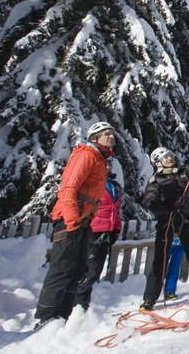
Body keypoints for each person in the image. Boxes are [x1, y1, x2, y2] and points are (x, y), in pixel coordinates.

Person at [33, 121, 117, 330]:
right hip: (71, 220)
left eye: (112, 134)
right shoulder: (86, 155)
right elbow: (68, 188)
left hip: (84, 222)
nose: (111, 137)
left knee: (78, 268)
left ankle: (64, 314)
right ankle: (45, 317)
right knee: (62, 268)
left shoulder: (99, 159)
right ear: (94, 138)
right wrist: (71, 221)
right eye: (106, 134)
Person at [139, 145, 189, 310]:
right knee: (160, 261)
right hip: (166, 224)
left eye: (171, 156)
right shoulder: (155, 181)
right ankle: (149, 299)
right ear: (158, 162)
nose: (170, 159)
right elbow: (150, 202)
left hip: (184, 221)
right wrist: (169, 206)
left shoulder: (182, 174)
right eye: (165, 157)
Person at [73, 164, 123, 310]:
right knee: (89, 270)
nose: (106, 167)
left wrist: (116, 228)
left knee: (95, 271)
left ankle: (82, 305)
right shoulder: (91, 184)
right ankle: (77, 304)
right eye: (103, 165)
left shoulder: (114, 186)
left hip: (107, 232)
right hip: (92, 230)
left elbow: (115, 210)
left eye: (108, 165)